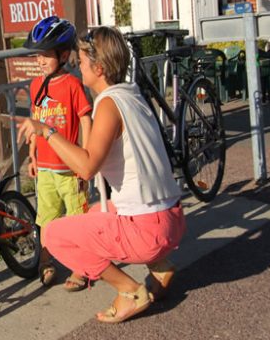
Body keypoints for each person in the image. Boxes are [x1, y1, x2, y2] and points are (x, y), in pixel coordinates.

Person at [17, 26, 185, 324]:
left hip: (149, 230)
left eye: (81, 61)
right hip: (171, 218)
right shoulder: (131, 94)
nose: (77, 66)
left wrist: (46, 131)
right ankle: (159, 266)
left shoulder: (107, 105)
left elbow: (86, 166)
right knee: (96, 210)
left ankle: (130, 290)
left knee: (54, 234)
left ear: (99, 67)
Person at [23, 16, 92, 291]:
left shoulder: (73, 85)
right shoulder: (35, 86)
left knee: (77, 220)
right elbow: (34, 122)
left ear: (63, 55)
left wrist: (86, 157)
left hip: (70, 169)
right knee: (46, 221)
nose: (40, 61)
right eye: (38, 55)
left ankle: (81, 266)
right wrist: (32, 155)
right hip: (47, 170)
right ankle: (46, 261)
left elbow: (85, 120)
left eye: (46, 55)